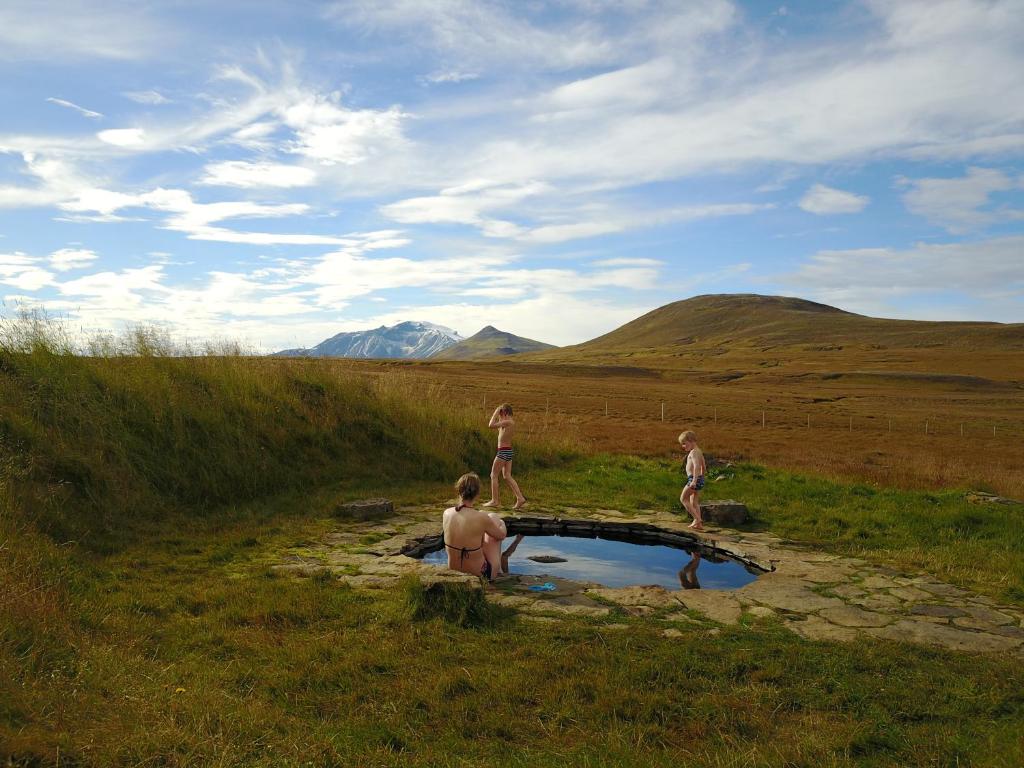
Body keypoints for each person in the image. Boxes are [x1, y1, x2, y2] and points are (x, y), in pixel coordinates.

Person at [442, 472, 507, 579]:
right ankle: (497, 572)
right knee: (494, 518)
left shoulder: (447, 513)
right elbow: (501, 535)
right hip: (481, 575)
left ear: (458, 490)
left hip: (454, 570)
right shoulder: (481, 517)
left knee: (489, 521)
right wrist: (502, 524)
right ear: (477, 494)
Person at [483, 403, 527, 510]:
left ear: (505, 413)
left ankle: (495, 500)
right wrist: (499, 414)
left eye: (501, 413)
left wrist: (495, 412)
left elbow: (490, 425)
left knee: (493, 475)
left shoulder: (508, 422)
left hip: (503, 452)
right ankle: (520, 498)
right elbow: (498, 428)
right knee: (507, 476)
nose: (500, 416)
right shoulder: (508, 423)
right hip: (508, 451)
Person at [679, 430, 706, 531]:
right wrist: (702, 478)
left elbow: (697, 466)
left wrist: (694, 481)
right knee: (694, 502)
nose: (683, 446)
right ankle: (698, 525)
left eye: (684, 443)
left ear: (691, 441)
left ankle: (697, 519)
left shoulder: (694, 452)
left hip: (694, 479)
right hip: (699, 479)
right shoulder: (699, 451)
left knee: (683, 499)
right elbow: (704, 467)